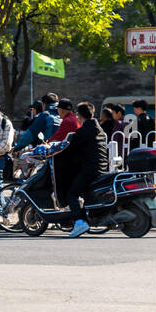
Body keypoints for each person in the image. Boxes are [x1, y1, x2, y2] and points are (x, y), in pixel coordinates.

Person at [55, 101, 109, 238]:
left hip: (90, 169)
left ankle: (79, 221)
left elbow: (70, 150)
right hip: (101, 168)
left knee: (71, 193)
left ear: (79, 115)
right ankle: (85, 218)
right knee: (84, 192)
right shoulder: (99, 129)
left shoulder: (83, 132)